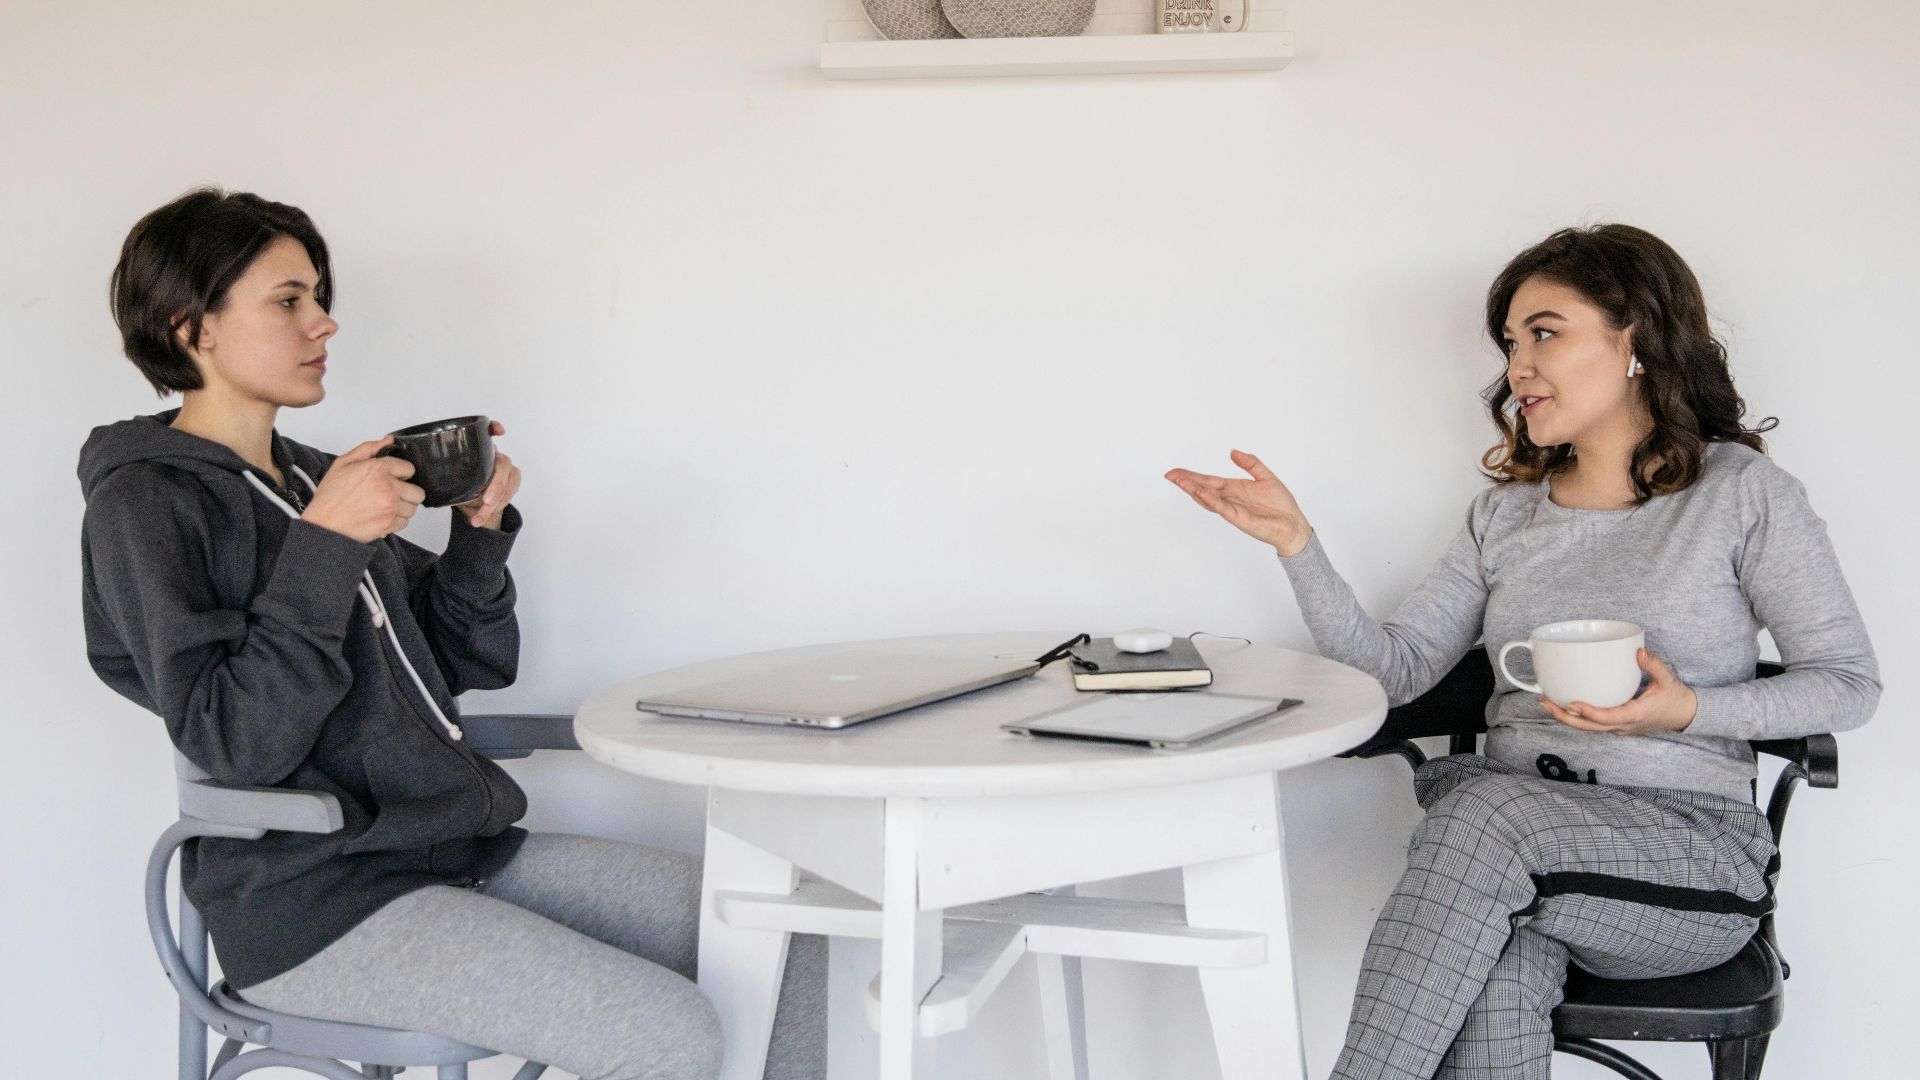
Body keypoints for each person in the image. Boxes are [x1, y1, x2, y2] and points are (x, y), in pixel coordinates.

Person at [80, 189, 823, 1080]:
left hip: (455, 852)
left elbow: (461, 663)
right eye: (289, 301)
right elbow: (234, 739)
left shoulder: (319, 477)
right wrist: (325, 542)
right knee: (661, 1032)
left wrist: (475, 536)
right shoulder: (146, 503)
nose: (325, 323)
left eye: (319, 296)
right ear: (191, 325)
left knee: (793, 944)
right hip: (315, 903)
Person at [1167, 224, 1880, 1079]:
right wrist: (1297, 545)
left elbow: (1847, 685)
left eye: (1545, 332)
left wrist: (1689, 708)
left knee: (1483, 816)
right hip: (1514, 870)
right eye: (1510, 343)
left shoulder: (1739, 495)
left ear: (1637, 341)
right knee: (1497, 980)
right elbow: (1394, 675)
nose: (1518, 367)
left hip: (1687, 858)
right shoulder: (1505, 516)